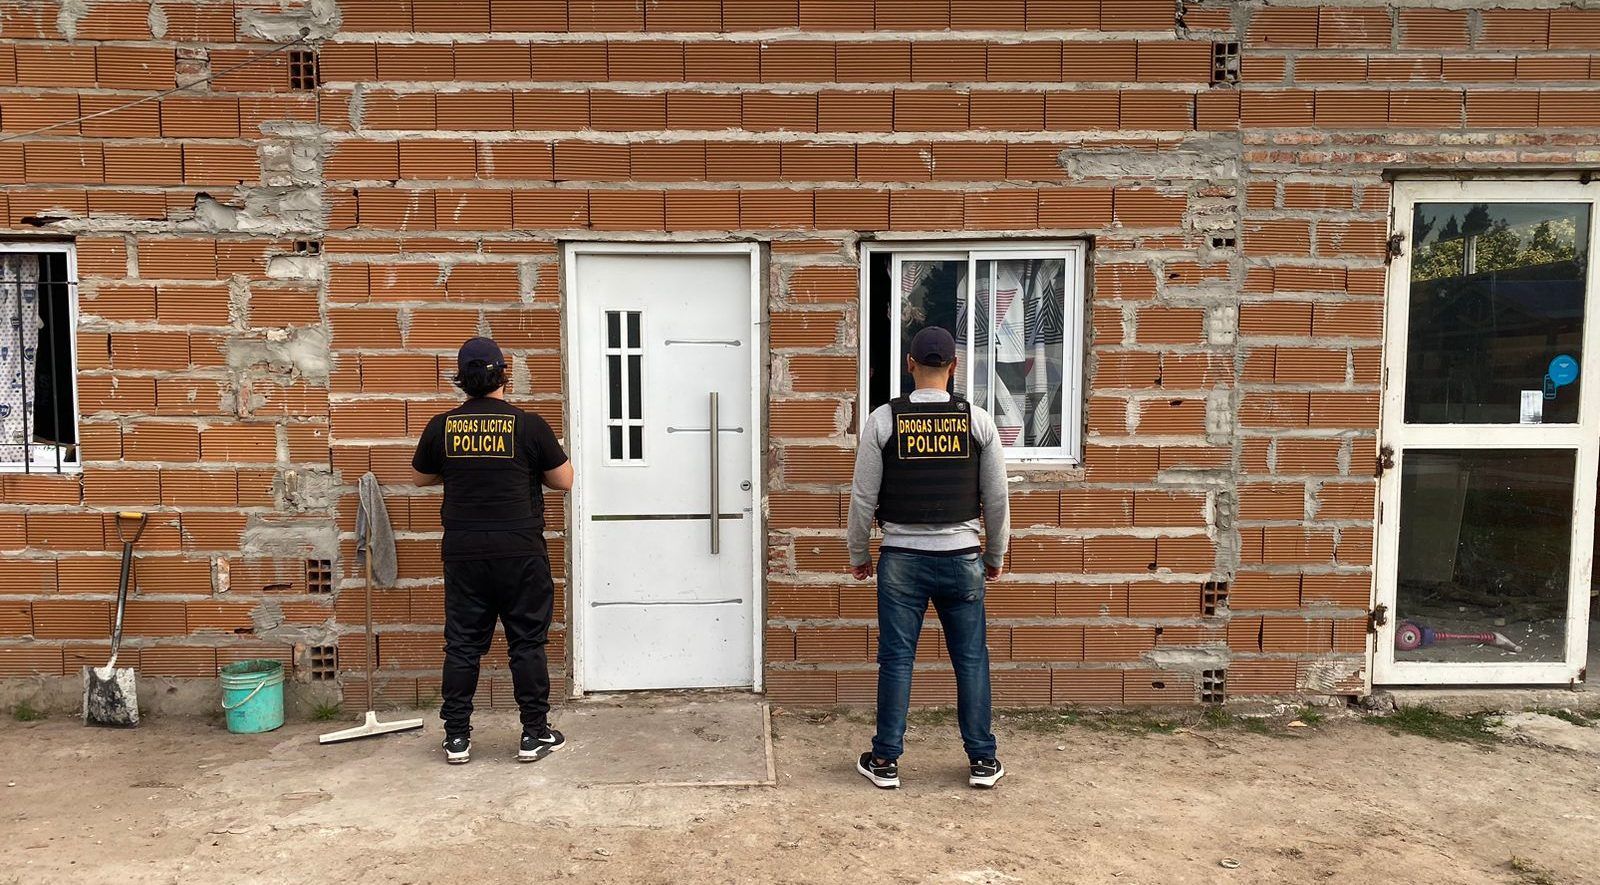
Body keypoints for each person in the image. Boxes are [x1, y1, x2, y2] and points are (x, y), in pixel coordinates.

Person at [846, 326, 1010, 790]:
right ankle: (982, 760)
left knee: (897, 660)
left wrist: (859, 552)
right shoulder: (977, 421)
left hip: (901, 559)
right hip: (962, 558)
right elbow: (997, 498)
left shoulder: (883, 420)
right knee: (971, 660)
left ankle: (885, 760)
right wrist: (995, 554)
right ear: (954, 367)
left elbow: (863, 497)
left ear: (910, 364)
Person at [412, 337, 574, 765]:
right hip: (519, 550)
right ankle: (534, 734)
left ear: (461, 380)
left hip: (464, 552)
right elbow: (564, 481)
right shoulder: (529, 425)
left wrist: (460, 469)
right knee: (527, 642)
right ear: (504, 375)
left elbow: (421, 478)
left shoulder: (441, 427)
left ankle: (457, 738)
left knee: (463, 644)